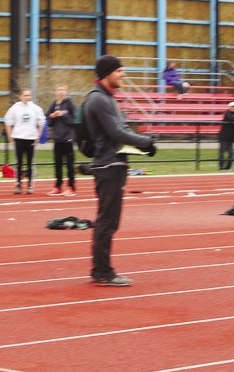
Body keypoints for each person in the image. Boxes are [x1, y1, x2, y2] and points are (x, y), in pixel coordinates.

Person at [85, 55, 157, 286]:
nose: (123, 74)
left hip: (113, 164)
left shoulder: (107, 99)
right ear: (107, 73)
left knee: (108, 220)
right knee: (107, 220)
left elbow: (121, 129)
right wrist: (146, 142)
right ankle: (103, 272)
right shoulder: (99, 100)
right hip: (108, 166)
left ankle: (101, 269)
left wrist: (142, 145)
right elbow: (116, 133)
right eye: (119, 71)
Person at [3, 88, 45, 194]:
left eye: (29, 95)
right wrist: (10, 136)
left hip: (31, 138)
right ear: (20, 96)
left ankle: (30, 185)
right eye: (25, 95)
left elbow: (41, 121)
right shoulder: (15, 108)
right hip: (19, 137)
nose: (27, 97)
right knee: (19, 162)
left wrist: (38, 136)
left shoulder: (35, 108)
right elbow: (7, 121)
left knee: (30, 162)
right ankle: (18, 185)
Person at [46, 84, 78, 196]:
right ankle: (58, 186)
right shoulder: (54, 104)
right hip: (57, 139)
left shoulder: (70, 104)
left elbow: (75, 121)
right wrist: (53, 116)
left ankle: (71, 187)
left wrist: (63, 115)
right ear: (55, 92)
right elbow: (48, 121)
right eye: (58, 90)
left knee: (69, 165)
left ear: (66, 91)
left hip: (68, 139)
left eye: (63, 90)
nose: (60, 92)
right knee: (57, 165)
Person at [218, 101, 234, 170]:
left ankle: (228, 167)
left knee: (231, 153)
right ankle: (221, 166)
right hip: (224, 136)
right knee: (222, 152)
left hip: (231, 137)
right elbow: (232, 118)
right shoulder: (227, 113)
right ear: (229, 107)